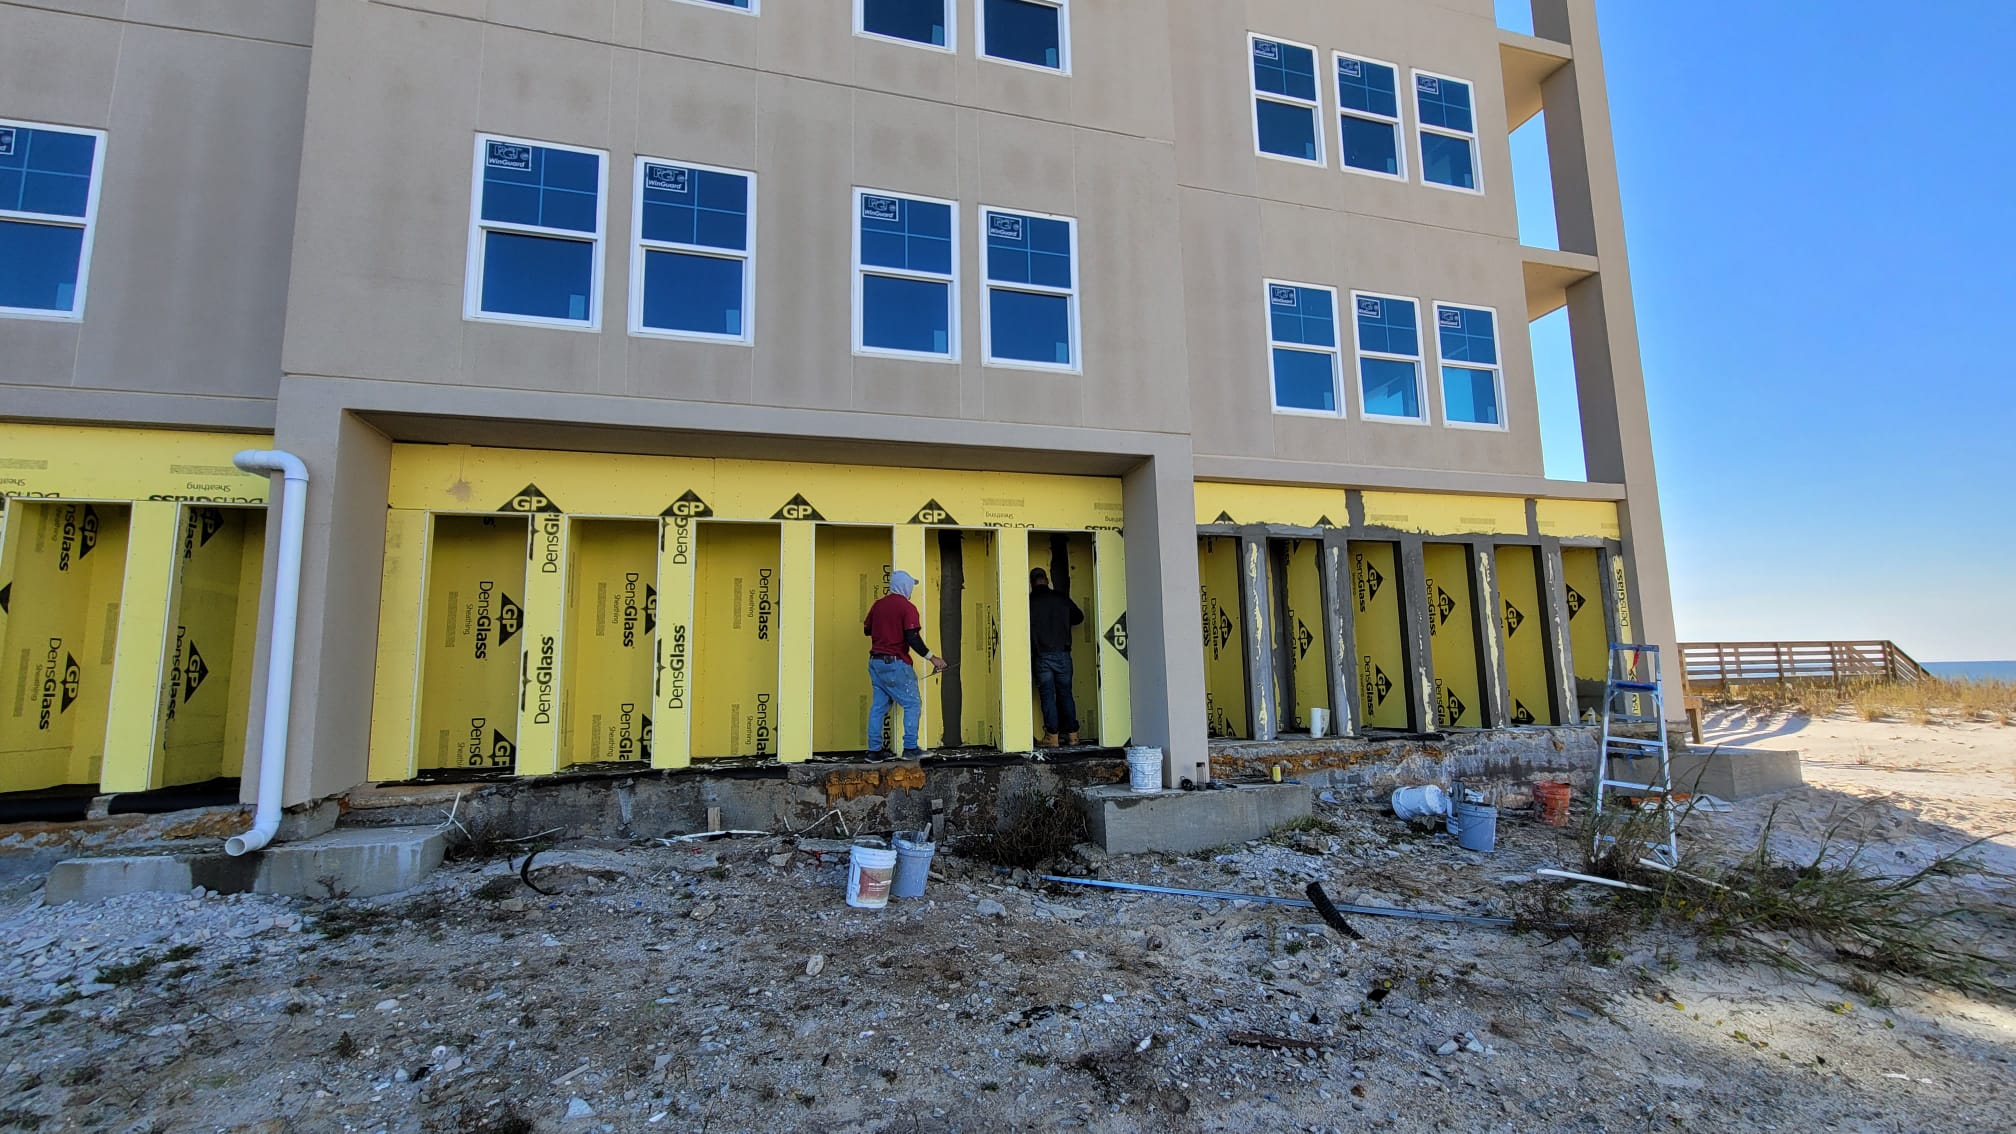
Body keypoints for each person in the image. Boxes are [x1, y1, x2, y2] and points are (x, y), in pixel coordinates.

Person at [863, 570, 946, 756]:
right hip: (895, 663)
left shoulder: (878, 605)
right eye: (910, 586)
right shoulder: (907, 608)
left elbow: (867, 630)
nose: (911, 590)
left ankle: (873, 752)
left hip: (876, 663)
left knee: (878, 706)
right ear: (905, 586)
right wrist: (934, 658)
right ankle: (910, 748)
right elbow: (912, 638)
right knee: (912, 704)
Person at [1028, 567, 1085, 748]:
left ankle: (1052, 737)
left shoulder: (1029, 601)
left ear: (1031, 583)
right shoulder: (1060, 598)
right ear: (1046, 579)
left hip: (1042, 655)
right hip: (1063, 654)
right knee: (1065, 694)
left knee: (1047, 696)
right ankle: (1073, 736)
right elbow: (1079, 617)